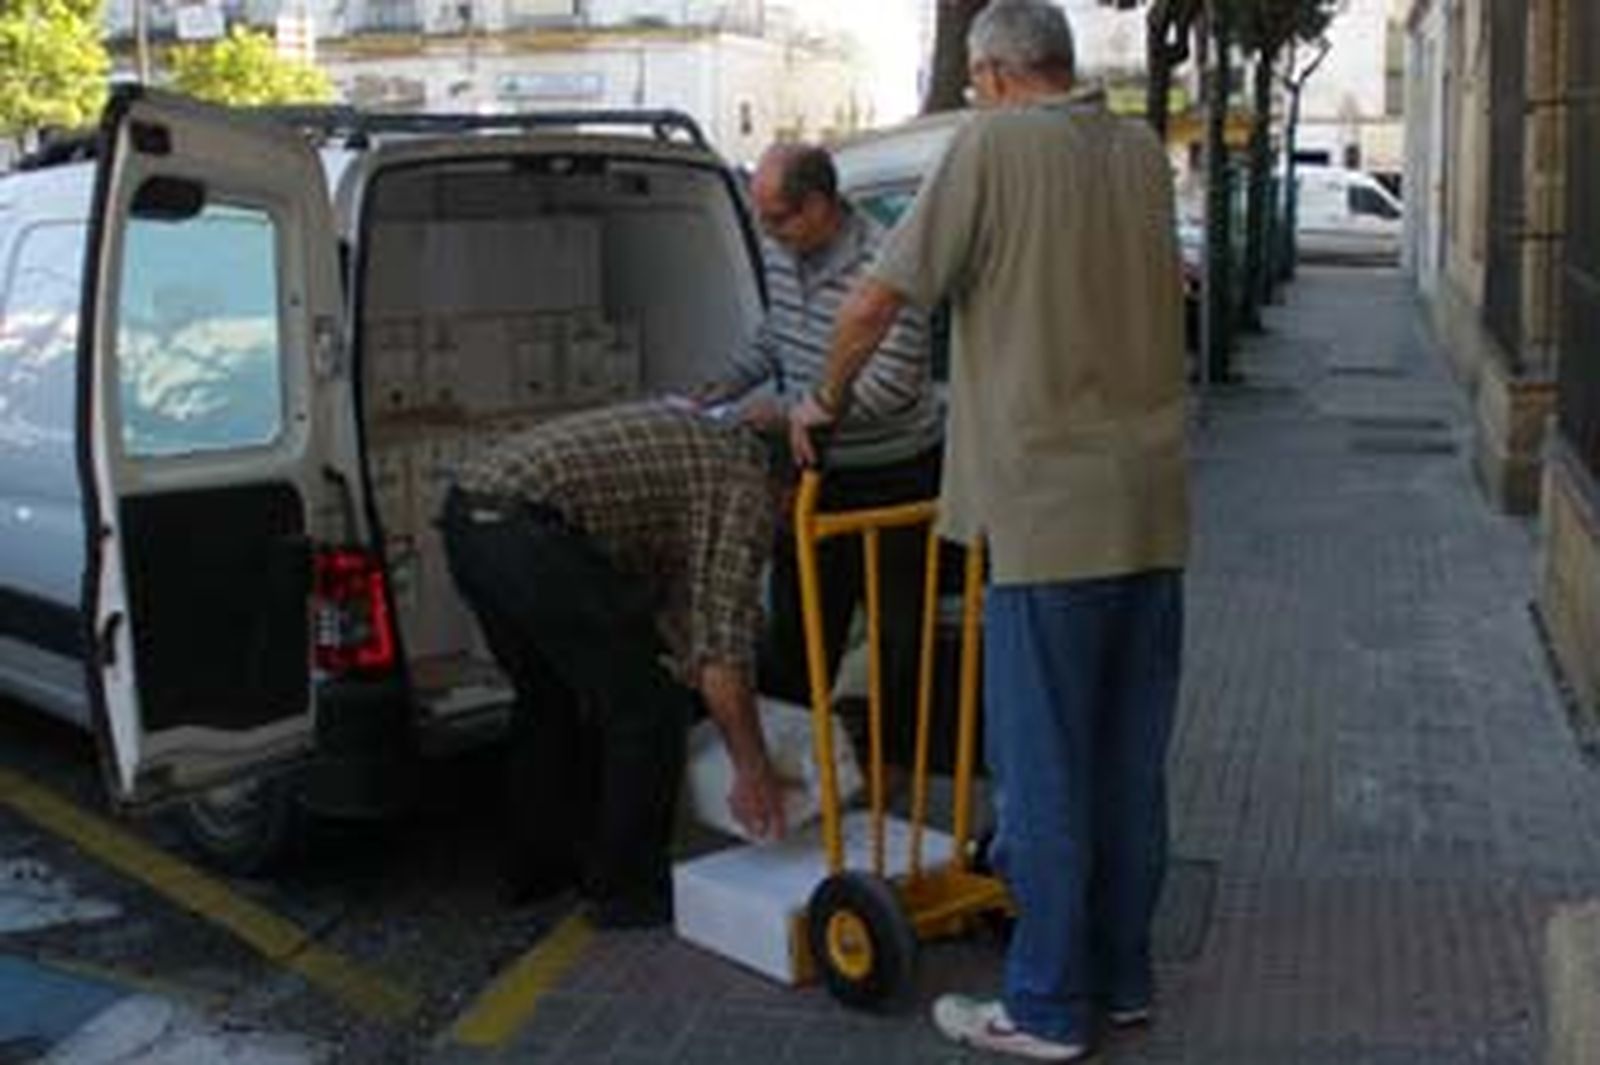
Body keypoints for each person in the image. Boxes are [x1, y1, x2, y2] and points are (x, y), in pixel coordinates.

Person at [789, 2, 1190, 1059]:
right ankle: (1122, 978)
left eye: (974, 80)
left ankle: (1048, 1008)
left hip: (1047, 516)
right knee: (1126, 767)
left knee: (1044, 771)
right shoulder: (1143, 152)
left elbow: (875, 303)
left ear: (1001, 72)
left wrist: (822, 400)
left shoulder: (994, 144)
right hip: (1149, 509)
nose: (971, 94)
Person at [440, 401, 789, 929]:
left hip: (469, 515)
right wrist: (752, 769)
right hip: (531, 534)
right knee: (648, 708)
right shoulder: (750, 492)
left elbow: (677, 608)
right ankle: (626, 890)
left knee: (548, 698)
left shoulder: (706, 445)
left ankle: (538, 869)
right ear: (790, 487)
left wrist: (685, 659)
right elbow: (723, 654)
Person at [698, 143, 941, 764]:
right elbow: (776, 335)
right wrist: (726, 385)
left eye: (777, 218)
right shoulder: (784, 254)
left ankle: (890, 779)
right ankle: (804, 782)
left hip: (895, 475)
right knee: (802, 630)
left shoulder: (886, 265)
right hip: (814, 472)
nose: (767, 234)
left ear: (820, 206)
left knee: (896, 639)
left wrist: (789, 410)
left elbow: (890, 388)